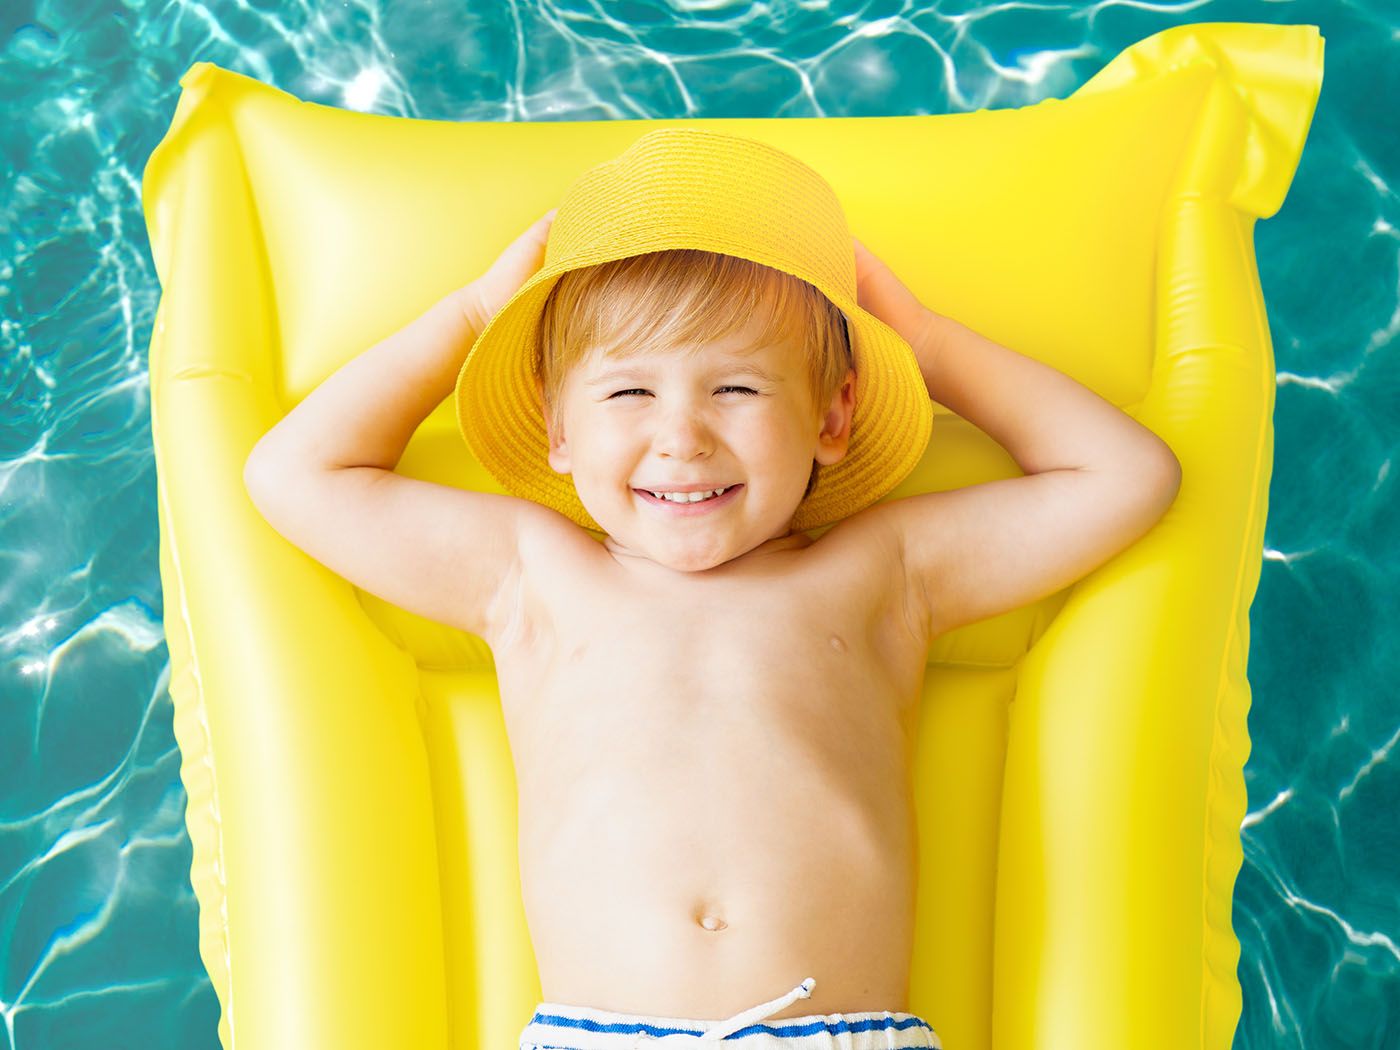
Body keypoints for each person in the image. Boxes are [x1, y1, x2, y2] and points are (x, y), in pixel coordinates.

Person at [242, 129, 1181, 1050]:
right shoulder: (531, 576)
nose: (681, 439)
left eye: (736, 389)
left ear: (832, 416)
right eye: (626, 395)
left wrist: (926, 345)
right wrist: (475, 318)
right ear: (556, 429)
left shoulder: (882, 571)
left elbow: (1127, 477)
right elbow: (294, 476)